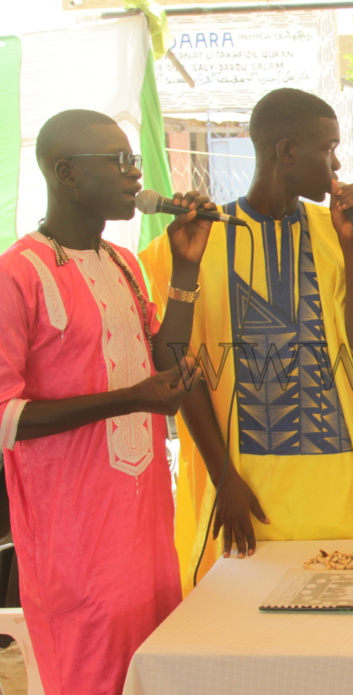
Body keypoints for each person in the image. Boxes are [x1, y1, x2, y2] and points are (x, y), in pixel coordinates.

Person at [141, 88, 353, 591]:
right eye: (328, 149)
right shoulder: (200, 239)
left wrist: (352, 250)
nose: (337, 164)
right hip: (246, 489)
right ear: (286, 151)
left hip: (338, 485)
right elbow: (180, 370)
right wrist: (223, 478)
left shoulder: (339, 234)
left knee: (349, 622)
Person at [0, 109, 212, 694]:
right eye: (119, 162)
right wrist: (127, 400)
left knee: (154, 671)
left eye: (134, 161)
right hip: (73, 540)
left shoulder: (123, 263)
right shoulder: (18, 274)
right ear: (66, 173)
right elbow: (6, 416)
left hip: (145, 528)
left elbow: (161, 365)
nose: (134, 174)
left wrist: (186, 268)